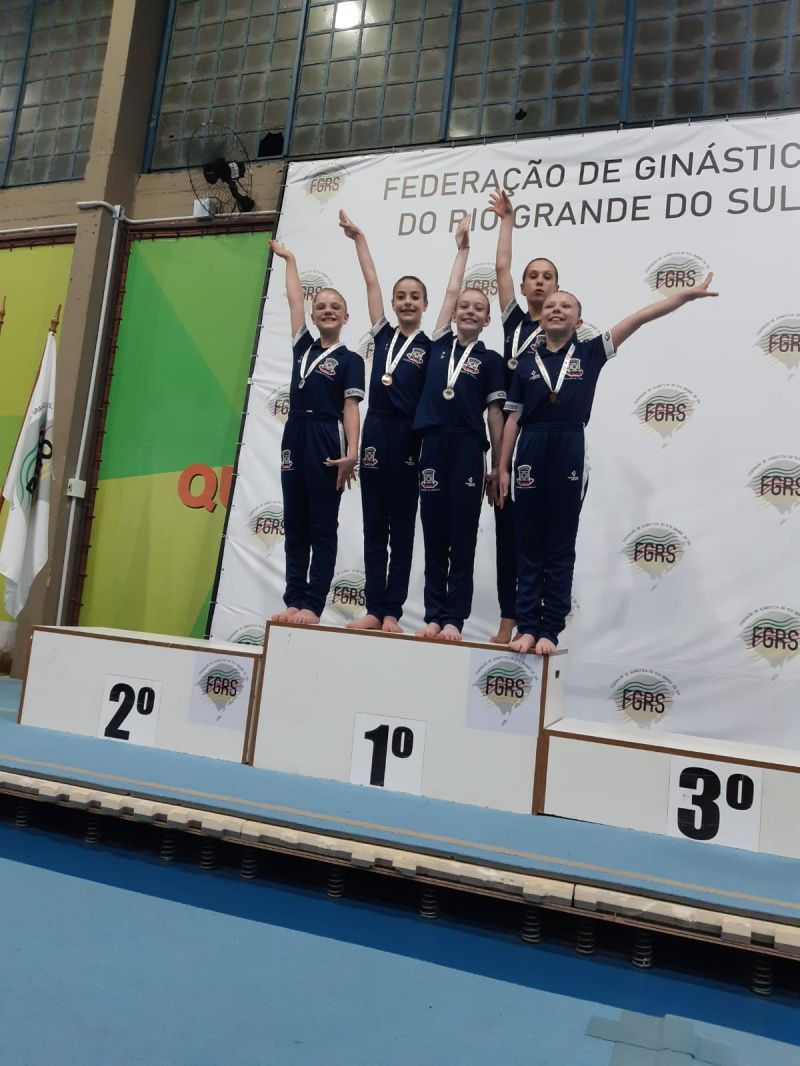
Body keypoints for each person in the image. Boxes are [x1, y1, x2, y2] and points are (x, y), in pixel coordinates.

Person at [498, 276, 718, 655]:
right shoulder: (525, 364)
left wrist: (680, 297)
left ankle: (550, 629)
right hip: (530, 448)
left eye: (566, 306)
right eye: (551, 305)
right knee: (528, 543)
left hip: (569, 444)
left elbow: (637, 319)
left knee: (560, 544)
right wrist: (502, 467)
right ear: (540, 318)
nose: (555, 309)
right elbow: (513, 420)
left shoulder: (589, 353)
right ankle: (527, 626)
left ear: (579, 322)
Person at [338, 212, 471, 633]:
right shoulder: (381, 335)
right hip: (376, 430)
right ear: (394, 304)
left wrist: (462, 250)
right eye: (402, 296)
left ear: (425, 305)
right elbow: (371, 282)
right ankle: (375, 608)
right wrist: (360, 238)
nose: (407, 301)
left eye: (415, 296)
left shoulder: (432, 344)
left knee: (403, 529)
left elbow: (453, 292)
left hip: (411, 437)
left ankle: (393, 609)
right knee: (374, 527)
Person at [413, 224, 506, 642]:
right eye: (462, 306)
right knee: (434, 532)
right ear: (454, 314)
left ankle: (455, 618)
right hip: (432, 444)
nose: (467, 310)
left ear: (487, 319)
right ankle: (433, 613)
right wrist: (463, 251)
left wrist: (498, 466)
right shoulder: (435, 345)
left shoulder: (491, 361)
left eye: (477, 308)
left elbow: (495, 416)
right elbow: (450, 290)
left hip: (470, 449)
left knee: (463, 536)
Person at [268, 240, 365, 626]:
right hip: (295, 434)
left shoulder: (350, 359)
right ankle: (293, 598)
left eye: (334, 307)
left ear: (345, 317)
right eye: (321, 306)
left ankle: (313, 604)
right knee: (295, 520)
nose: (327, 311)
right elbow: (294, 299)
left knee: (323, 525)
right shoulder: (302, 346)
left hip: (328, 436)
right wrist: (292, 259)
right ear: (314, 313)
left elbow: (351, 407)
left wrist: (353, 450)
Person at [487, 188, 559, 645]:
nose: (536, 282)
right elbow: (500, 269)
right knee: (506, 534)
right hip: (508, 444)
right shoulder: (514, 322)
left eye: (546, 277)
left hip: (543, 440)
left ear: (557, 288)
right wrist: (507, 221)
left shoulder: (561, 330)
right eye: (532, 276)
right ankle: (510, 618)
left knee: (544, 539)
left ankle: (541, 621)